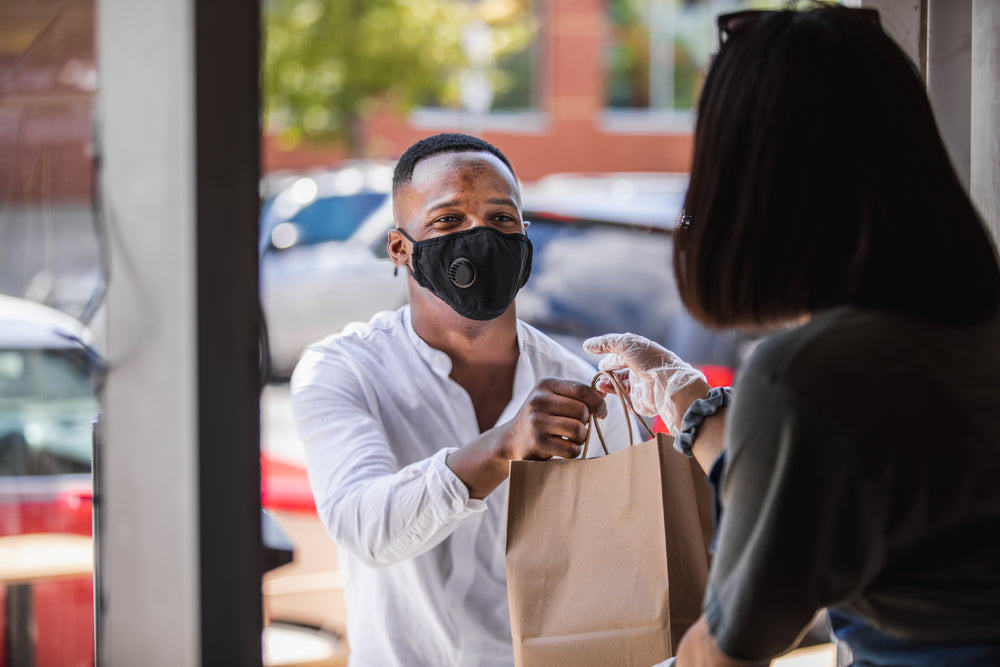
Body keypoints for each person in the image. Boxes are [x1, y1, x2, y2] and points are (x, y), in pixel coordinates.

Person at [584, 6, 1000, 667]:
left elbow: (732, 643)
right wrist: (684, 397)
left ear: (753, 182)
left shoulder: (813, 374)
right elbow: (812, 486)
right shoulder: (961, 327)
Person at [290, 132, 632, 667]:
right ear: (401, 249)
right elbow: (364, 528)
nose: (480, 237)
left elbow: (628, 560)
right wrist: (501, 449)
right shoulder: (343, 370)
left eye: (501, 220)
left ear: (525, 239)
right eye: (448, 220)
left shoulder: (577, 386)